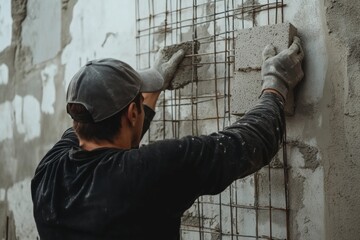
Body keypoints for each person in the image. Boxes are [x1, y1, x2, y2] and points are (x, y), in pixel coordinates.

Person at [31, 36, 304, 240]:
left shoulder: (49, 170)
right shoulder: (151, 172)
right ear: (131, 113)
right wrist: (275, 84)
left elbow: (108, 133)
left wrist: (150, 91)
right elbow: (249, 142)